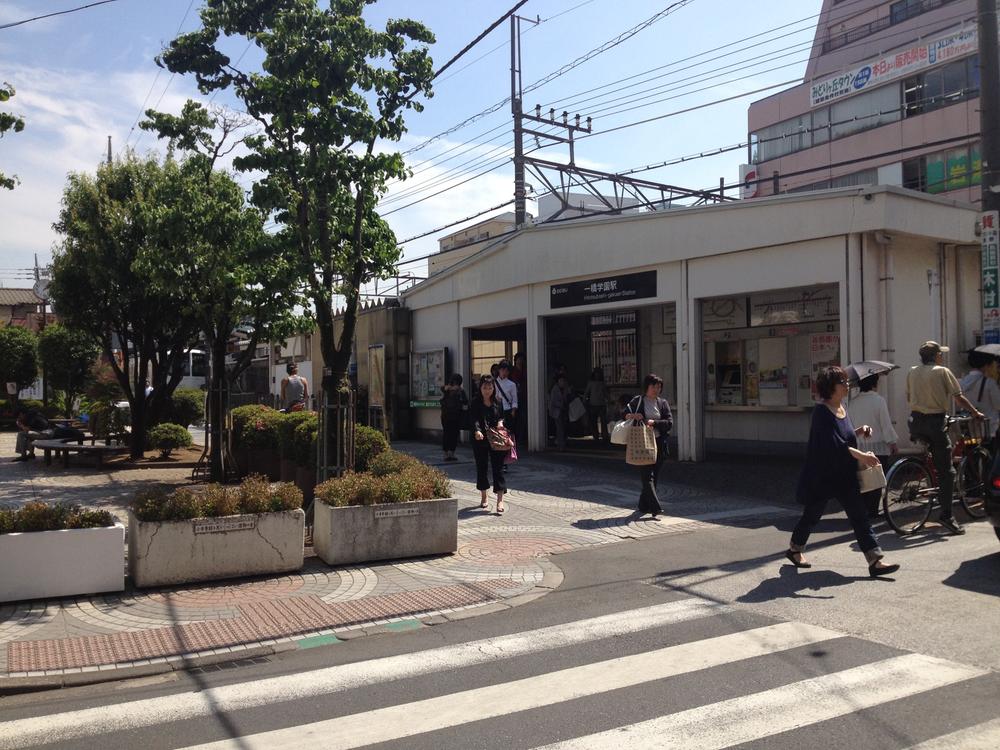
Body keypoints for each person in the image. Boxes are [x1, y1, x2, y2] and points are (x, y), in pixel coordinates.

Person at [787, 366, 900, 577]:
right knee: (812, 515)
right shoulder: (821, 412)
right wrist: (863, 456)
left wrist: (859, 431)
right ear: (830, 386)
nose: (847, 385)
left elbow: (844, 437)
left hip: (844, 474)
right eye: (842, 382)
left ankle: (874, 560)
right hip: (824, 475)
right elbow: (834, 445)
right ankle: (795, 548)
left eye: (847, 381)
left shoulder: (843, 408)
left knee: (860, 516)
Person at [907, 341, 985, 535]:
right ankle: (947, 516)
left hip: (915, 421)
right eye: (940, 354)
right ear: (936, 356)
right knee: (947, 472)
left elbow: (909, 397)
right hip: (935, 422)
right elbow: (958, 397)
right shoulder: (942, 371)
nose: (942, 356)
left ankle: (928, 479)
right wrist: (975, 412)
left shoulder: (912, 372)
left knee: (935, 459)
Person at [847, 374, 899, 518]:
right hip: (878, 447)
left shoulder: (853, 403)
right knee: (877, 480)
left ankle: (863, 509)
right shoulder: (879, 401)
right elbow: (885, 425)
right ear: (874, 384)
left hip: (859, 448)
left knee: (862, 480)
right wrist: (892, 442)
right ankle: (873, 510)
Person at [625, 374, 673, 517]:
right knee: (647, 476)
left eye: (659, 387)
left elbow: (669, 423)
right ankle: (655, 507)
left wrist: (654, 423)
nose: (657, 390)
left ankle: (643, 505)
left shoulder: (662, 403)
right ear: (647, 387)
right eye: (654, 387)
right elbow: (624, 414)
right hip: (643, 443)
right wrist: (634, 416)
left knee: (654, 476)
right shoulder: (638, 401)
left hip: (659, 444)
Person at [471, 375, 507, 513]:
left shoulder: (498, 401)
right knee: (482, 467)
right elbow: (473, 419)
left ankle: (500, 500)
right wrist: (477, 431)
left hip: (496, 439)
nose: (487, 391)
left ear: (494, 388)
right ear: (480, 388)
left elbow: (502, 417)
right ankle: (484, 496)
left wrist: (500, 423)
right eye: (485, 387)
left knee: (498, 468)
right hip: (480, 439)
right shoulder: (475, 402)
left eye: (490, 388)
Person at [959, 349, 1000, 439]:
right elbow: (998, 405)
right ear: (986, 365)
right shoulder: (989, 382)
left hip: (970, 428)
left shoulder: (962, 382)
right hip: (989, 427)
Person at [439, 373, 468, 462]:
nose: (455, 384)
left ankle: (450, 453)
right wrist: (451, 388)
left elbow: (466, 402)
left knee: (452, 435)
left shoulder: (460, 391)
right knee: (449, 434)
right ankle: (447, 453)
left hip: (453, 416)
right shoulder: (447, 389)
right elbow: (442, 388)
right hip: (448, 416)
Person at [584, 367, 610, 443]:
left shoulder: (598, 383)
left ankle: (601, 436)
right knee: (596, 422)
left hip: (599, 404)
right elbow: (587, 393)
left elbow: (605, 393)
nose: (597, 375)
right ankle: (598, 436)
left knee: (600, 422)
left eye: (598, 373)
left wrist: (609, 400)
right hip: (595, 405)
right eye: (596, 373)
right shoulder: (596, 383)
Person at [548, 374, 574, 449]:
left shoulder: (565, 388)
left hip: (564, 410)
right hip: (557, 411)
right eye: (561, 381)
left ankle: (560, 442)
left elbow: (568, 397)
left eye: (563, 381)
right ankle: (561, 445)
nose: (562, 382)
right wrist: (561, 404)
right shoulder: (555, 389)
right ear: (558, 382)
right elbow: (553, 401)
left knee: (563, 427)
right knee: (560, 428)